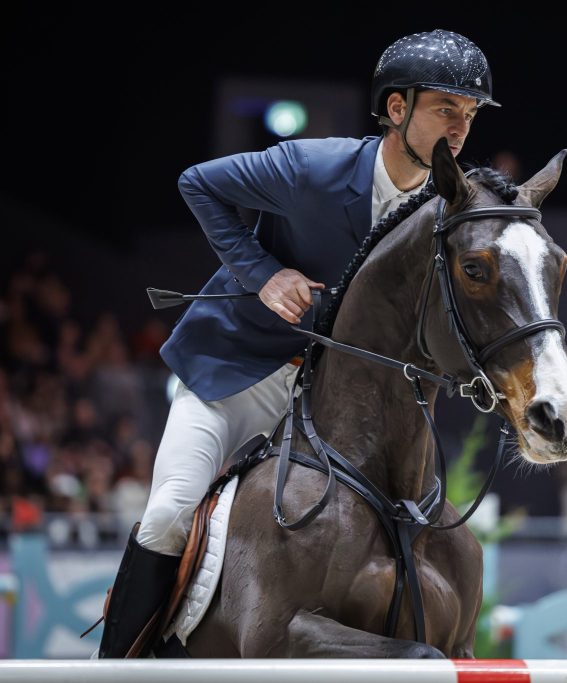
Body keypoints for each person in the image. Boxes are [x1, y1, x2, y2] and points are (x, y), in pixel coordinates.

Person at [96, 29, 500, 658]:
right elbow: (197, 182)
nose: (461, 128)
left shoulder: (440, 205)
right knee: (171, 511)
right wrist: (264, 275)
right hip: (241, 372)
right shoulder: (311, 167)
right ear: (397, 109)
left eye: (469, 115)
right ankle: (118, 668)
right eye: (446, 109)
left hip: (333, 396)